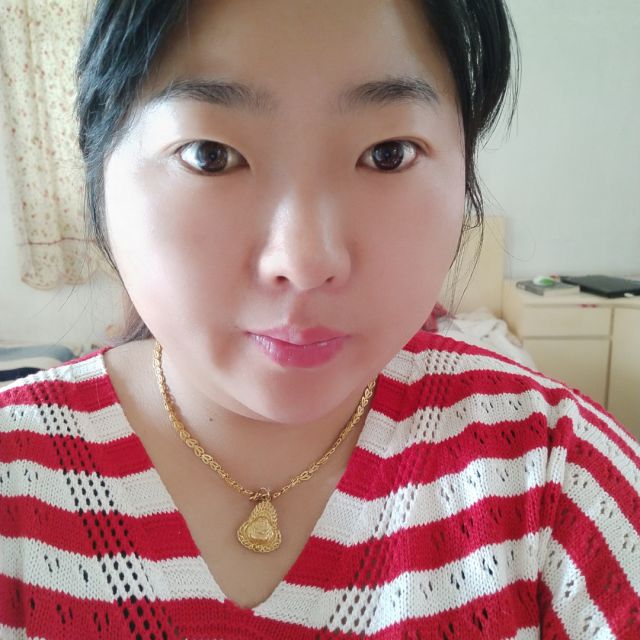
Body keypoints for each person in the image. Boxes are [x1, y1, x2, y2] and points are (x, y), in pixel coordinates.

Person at [1, 1, 638, 638]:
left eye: (388, 153)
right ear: (99, 174)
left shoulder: (558, 471)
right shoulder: (15, 473)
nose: (305, 262)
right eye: (210, 155)